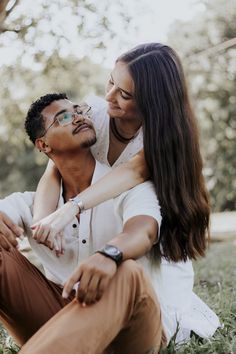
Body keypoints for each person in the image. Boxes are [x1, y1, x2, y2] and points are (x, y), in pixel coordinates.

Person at [0, 43, 220, 346]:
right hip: (70, 300)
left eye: (124, 95)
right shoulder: (96, 117)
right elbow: (55, 169)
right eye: (110, 82)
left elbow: (137, 205)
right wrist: (45, 221)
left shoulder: (151, 159)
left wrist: (81, 219)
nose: (108, 97)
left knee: (126, 273)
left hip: (140, 288)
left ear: (151, 104)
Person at [0, 93, 166, 354]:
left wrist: (110, 255)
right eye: (63, 117)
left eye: (78, 110)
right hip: (60, 316)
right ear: (43, 145)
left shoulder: (126, 187)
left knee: (127, 271)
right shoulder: (32, 204)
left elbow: (144, 231)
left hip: (130, 327)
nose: (78, 116)